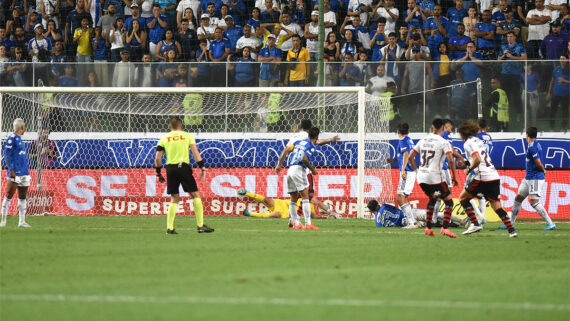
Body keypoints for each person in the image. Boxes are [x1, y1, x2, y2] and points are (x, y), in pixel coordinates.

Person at [154, 116, 214, 234]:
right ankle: (200, 226)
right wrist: (202, 167)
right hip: (183, 167)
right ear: (181, 126)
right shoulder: (187, 136)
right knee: (195, 195)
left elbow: (157, 158)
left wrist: (158, 173)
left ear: (170, 126)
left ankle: (169, 228)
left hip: (170, 168)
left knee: (174, 198)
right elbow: (196, 153)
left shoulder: (164, 138)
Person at [457, 121, 517, 237]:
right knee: (496, 205)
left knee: (463, 198)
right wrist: (465, 162)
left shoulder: (467, 143)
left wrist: (468, 169)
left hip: (482, 177)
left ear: (463, 133)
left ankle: (475, 224)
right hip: (493, 175)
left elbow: (478, 159)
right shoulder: (478, 141)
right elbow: (479, 158)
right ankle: (512, 231)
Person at [499, 127, 556, 231]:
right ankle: (510, 224)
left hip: (535, 178)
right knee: (518, 199)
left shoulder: (532, 147)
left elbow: (538, 162)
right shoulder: (535, 144)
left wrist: (543, 170)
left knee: (534, 202)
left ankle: (550, 223)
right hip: (528, 178)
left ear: (527, 135)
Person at [409, 118, 458, 238]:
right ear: (442, 128)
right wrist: (454, 177)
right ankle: (445, 228)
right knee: (449, 202)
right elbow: (451, 160)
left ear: (432, 127)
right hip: (434, 178)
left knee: (433, 199)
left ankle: (428, 228)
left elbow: (410, 157)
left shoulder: (423, 140)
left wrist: (417, 170)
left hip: (421, 178)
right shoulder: (443, 142)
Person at [278, 127, 320, 230]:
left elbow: (287, 150)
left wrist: (279, 164)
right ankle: (308, 223)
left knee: (293, 198)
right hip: (299, 169)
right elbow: (304, 159)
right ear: (317, 137)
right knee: (305, 197)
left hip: (290, 170)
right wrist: (313, 170)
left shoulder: (298, 142)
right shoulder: (311, 146)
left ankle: (296, 223)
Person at [385, 123, 417, 228]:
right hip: (409, 171)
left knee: (401, 197)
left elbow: (406, 154)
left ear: (398, 132)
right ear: (408, 131)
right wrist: (393, 160)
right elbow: (404, 155)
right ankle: (412, 221)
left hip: (407, 172)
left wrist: (403, 170)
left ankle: (411, 222)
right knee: (399, 197)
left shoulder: (402, 141)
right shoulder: (409, 140)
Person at [1, 119, 31, 228]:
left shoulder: (19, 139)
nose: (25, 129)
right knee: (9, 195)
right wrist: (11, 169)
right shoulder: (12, 138)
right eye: (24, 127)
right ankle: (3, 221)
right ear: (22, 127)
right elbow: (7, 154)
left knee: (22, 197)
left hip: (24, 172)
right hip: (15, 173)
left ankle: (21, 222)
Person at [237, 188, 341, 219]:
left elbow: (316, 203)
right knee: (268, 201)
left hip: (291, 211)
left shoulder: (310, 203)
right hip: (286, 207)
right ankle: (246, 193)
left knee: (275, 214)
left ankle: (332, 213)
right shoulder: (304, 197)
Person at [546, 56, 570, 131]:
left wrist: (564, 80)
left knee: (565, 111)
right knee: (552, 111)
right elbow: (552, 81)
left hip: (566, 94)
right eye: (561, 59)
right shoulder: (556, 69)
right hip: (555, 94)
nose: (562, 60)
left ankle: (563, 128)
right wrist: (549, 93)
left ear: (567, 60)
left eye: (563, 59)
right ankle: (551, 127)